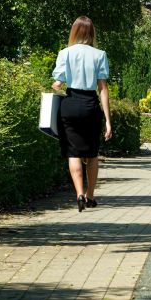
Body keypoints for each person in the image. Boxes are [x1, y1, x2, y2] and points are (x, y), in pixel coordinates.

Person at [51, 16, 112, 212]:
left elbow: (58, 83)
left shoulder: (65, 53)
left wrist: (56, 84)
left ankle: (78, 193)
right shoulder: (100, 55)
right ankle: (90, 196)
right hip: (90, 106)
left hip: (69, 105)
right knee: (92, 154)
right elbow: (103, 88)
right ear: (92, 32)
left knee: (73, 152)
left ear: (74, 32)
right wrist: (108, 121)